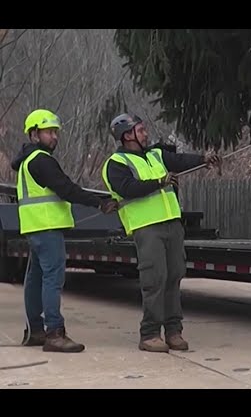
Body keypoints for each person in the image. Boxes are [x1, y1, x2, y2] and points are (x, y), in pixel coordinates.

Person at [101, 113, 221, 353]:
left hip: (172, 224)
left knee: (174, 275)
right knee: (154, 279)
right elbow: (128, 189)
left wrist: (203, 159)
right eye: (141, 130)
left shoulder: (156, 155)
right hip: (146, 227)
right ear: (128, 135)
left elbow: (179, 160)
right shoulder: (115, 164)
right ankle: (150, 334)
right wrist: (159, 182)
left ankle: (174, 331)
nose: (146, 134)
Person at [11, 109, 119, 352]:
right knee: (53, 278)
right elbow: (66, 188)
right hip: (47, 227)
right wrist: (99, 202)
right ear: (34, 134)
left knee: (35, 279)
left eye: (56, 132)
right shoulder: (41, 160)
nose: (54, 137)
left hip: (35, 227)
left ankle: (36, 331)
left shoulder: (27, 162)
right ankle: (54, 333)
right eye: (49, 132)